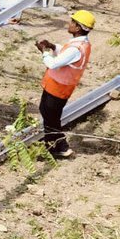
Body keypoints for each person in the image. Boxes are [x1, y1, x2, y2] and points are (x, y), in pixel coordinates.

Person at [36, 10, 95, 158]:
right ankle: (56, 145)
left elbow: (54, 64)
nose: (69, 24)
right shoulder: (80, 44)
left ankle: (58, 147)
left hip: (58, 88)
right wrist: (53, 46)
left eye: (72, 22)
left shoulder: (76, 48)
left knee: (51, 117)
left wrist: (44, 51)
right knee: (47, 113)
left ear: (78, 28)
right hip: (58, 87)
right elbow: (65, 53)